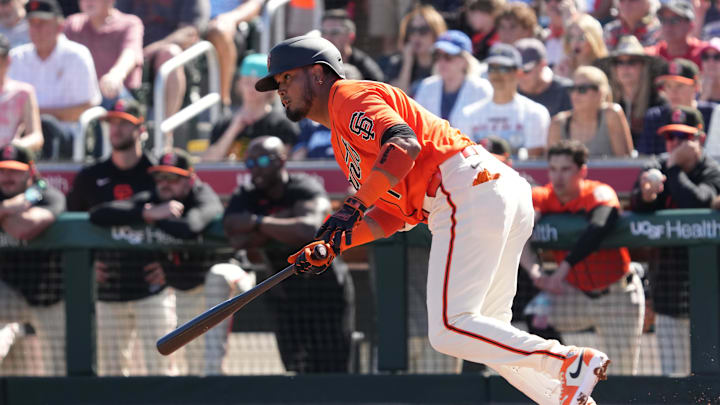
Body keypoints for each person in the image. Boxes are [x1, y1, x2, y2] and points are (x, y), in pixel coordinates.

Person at [255, 35, 610, 404]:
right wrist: (335, 244)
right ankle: (567, 396)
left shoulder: (347, 96)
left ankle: (568, 361)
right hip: (484, 189)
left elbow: (403, 143)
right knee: (488, 337)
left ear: (317, 73)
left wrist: (354, 204)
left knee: (448, 329)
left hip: (463, 187)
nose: (280, 90)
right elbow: (394, 216)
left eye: (286, 78)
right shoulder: (340, 137)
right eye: (277, 83)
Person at [87, 148, 248, 376]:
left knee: (211, 362)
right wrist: (147, 213)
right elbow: (98, 214)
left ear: (189, 179)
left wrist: (154, 218)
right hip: (188, 287)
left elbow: (189, 228)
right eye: (159, 177)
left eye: (172, 178)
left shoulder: (203, 195)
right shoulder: (155, 200)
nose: (164, 183)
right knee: (194, 365)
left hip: (230, 281)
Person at [223, 136, 355, 373]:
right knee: (295, 368)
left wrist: (257, 223)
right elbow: (234, 233)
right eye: (250, 162)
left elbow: (309, 229)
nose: (255, 168)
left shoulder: (303, 186)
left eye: (262, 160)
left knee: (333, 366)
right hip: (284, 292)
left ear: (282, 160)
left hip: (326, 290)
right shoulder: (246, 194)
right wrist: (282, 223)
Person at [66, 99, 177, 376]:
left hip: (153, 290)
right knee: (111, 376)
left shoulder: (159, 173)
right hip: (107, 291)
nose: (115, 129)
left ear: (141, 129)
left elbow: (186, 220)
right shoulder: (90, 177)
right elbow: (70, 226)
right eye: (111, 123)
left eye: (124, 123)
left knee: (163, 373)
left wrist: (170, 268)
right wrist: (88, 268)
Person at [522, 140, 645, 375]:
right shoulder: (545, 195)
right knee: (536, 315)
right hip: (575, 293)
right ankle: (569, 374)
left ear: (582, 171)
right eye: (553, 169)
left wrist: (561, 271)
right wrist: (536, 272)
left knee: (622, 376)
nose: (558, 177)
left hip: (617, 295)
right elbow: (519, 230)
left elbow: (600, 225)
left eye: (566, 169)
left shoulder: (597, 191)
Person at [630, 105, 720, 376]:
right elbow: (638, 205)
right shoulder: (656, 166)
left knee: (712, 374)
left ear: (700, 140)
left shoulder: (711, 170)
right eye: (671, 138)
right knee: (675, 374)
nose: (676, 145)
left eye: (683, 138)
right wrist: (646, 196)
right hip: (669, 291)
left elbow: (699, 201)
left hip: (710, 292)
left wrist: (674, 169)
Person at [0, 144, 66, 375]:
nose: (7, 177)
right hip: (9, 292)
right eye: (2, 170)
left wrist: (5, 214)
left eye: (15, 171)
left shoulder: (47, 194)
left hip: (49, 294)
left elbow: (22, 229)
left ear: (30, 171)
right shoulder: (6, 197)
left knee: (59, 370)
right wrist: (8, 206)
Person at [8, 0, 101, 160]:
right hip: (22, 137)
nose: (36, 29)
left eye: (42, 23)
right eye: (32, 23)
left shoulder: (77, 56)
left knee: (48, 127)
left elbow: (85, 107)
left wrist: (36, 117)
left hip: (69, 137)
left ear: (59, 26)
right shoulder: (16, 58)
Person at [115, 0, 210, 148]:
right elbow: (117, 22)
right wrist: (134, 54)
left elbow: (189, 32)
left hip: (178, 61)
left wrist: (152, 49)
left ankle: (165, 136)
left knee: (169, 55)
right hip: (132, 56)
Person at [455, 43, 550, 159]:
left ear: (518, 72)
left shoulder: (535, 112)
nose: (496, 74)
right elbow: (464, 159)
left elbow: (533, 162)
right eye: (492, 68)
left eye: (504, 68)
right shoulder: (468, 114)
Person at [203, 53, 299, 161]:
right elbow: (207, 163)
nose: (251, 88)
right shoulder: (224, 123)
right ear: (239, 83)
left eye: (257, 83)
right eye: (247, 81)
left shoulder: (282, 125)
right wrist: (234, 129)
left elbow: (283, 162)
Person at [63, 0, 144, 108]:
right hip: (81, 99)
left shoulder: (129, 23)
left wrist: (116, 75)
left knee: (114, 98)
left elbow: (131, 53)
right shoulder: (72, 24)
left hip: (117, 98)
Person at [548, 66, 633, 157]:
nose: (575, 94)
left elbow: (624, 161)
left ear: (600, 93)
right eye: (572, 88)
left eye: (582, 89)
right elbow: (553, 166)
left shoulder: (611, 115)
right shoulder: (557, 124)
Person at [595, 35, 665, 143]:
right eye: (619, 62)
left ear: (643, 67)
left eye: (632, 62)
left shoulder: (657, 102)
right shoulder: (606, 103)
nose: (625, 68)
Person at [637, 58, 716, 155]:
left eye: (679, 85)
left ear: (696, 87)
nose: (673, 92)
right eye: (668, 86)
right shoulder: (654, 117)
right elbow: (645, 158)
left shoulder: (714, 114)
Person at [413, 30, 491, 126]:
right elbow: (417, 124)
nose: (441, 61)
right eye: (438, 56)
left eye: (448, 56)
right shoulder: (427, 86)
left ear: (464, 60)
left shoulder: (481, 89)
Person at [205, 0, 265, 109]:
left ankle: (222, 103)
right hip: (190, 22)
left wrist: (231, 18)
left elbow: (254, 4)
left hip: (228, 26)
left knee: (218, 31)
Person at [379, 5, 447, 95]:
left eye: (423, 30)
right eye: (411, 30)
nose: (416, 36)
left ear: (436, 32)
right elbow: (399, 98)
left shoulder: (448, 60)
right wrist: (407, 63)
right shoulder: (397, 63)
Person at [0, 33, 43, 152]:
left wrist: (14, 147)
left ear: (7, 60)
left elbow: (36, 137)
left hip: (10, 164)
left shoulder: (23, 92)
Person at [321, 9, 384, 82]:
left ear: (350, 37)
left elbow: (381, 87)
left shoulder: (364, 66)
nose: (327, 38)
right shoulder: (315, 63)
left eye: (335, 32)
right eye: (324, 32)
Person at [516, 38, 573, 117]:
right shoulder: (508, 94)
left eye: (526, 70)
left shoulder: (568, 92)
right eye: (515, 71)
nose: (520, 76)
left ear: (542, 64)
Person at [645, 0, 708, 68]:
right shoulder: (651, 55)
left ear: (690, 25)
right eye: (663, 20)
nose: (668, 26)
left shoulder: (708, 55)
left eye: (675, 20)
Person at [556, 13, 608, 79]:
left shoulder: (605, 67)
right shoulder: (565, 66)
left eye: (581, 38)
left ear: (593, 40)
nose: (575, 42)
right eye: (572, 37)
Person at [542, 0, 578, 69]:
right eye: (547, 1)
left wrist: (569, 19)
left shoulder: (581, 34)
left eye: (559, 1)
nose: (553, 3)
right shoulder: (544, 36)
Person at [699, 38, 720, 103]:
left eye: (717, 57)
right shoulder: (694, 87)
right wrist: (703, 97)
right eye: (706, 56)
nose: (711, 62)